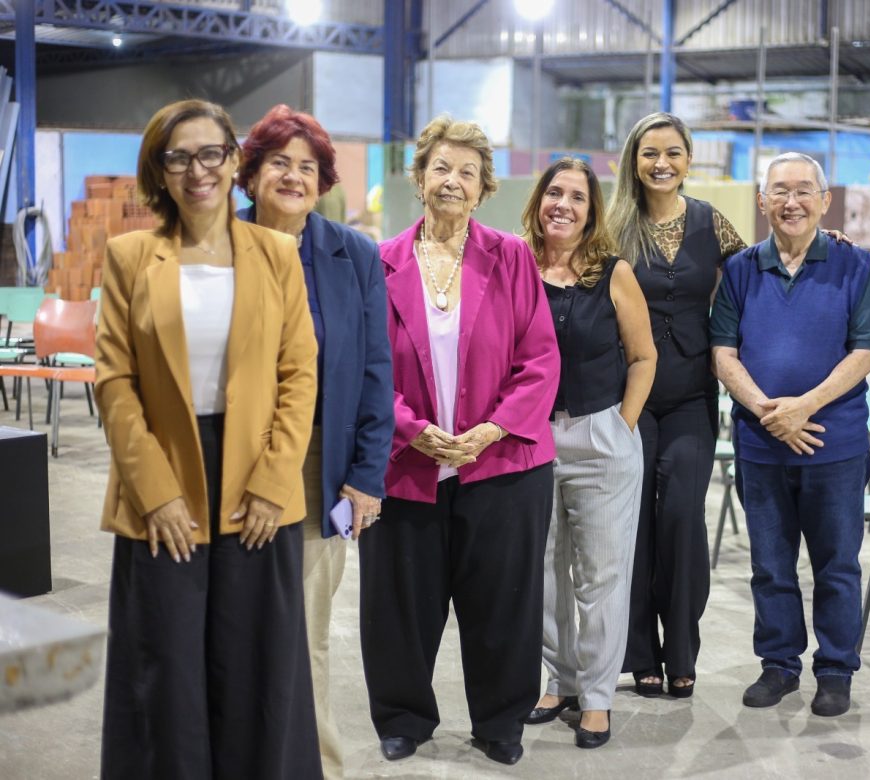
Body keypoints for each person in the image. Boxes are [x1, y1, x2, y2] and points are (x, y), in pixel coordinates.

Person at [95, 99, 321, 779]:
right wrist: (157, 494)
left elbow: (298, 374)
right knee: (163, 672)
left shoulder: (277, 253)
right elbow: (113, 381)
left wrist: (273, 483)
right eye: (178, 156)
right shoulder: (130, 256)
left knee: (258, 669)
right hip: (161, 486)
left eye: (210, 153)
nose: (197, 169)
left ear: (233, 161)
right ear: (159, 172)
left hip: (258, 484)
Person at [360, 115, 560, 766]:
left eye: (467, 172)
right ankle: (403, 717)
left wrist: (490, 428)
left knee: (502, 604)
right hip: (402, 464)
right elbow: (362, 366)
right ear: (418, 179)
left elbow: (541, 358)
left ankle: (500, 723)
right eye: (441, 168)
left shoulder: (512, 258)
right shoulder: (380, 263)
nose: (453, 181)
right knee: (399, 604)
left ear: (483, 189)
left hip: (501, 462)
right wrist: (414, 432)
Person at [237, 104, 395, 780]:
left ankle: (312, 766)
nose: (294, 176)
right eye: (280, 162)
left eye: (308, 166)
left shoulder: (352, 254)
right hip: (225, 466)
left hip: (315, 468)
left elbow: (374, 371)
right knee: (230, 631)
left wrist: (365, 476)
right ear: (251, 173)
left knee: (304, 637)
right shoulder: (211, 244)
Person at [711, 153, 870, 717]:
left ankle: (835, 670)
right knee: (770, 563)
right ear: (762, 202)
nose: (792, 202)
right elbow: (722, 352)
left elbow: (864, 353)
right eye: (779, 191)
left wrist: (803, 407)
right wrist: (768, 412)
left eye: (804, 191)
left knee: (837, 564)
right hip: (762, 446)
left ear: (825, 200)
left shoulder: (855, 266)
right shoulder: (740, 269)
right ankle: (779, 665)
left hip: (835, 446)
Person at [607, 112, 747, 699]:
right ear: (632, 161)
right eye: (648, 153)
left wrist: (824, 239)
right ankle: (640, 652)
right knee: (632, 524)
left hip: (691, 394)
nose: (660, 164)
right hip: (626, 399)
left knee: (683, 518)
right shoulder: (613, 226)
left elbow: (756, 268)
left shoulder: (711, 224)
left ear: (690, 159)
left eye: (672, 153)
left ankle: (681, 648)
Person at [519, 159, 656, 748]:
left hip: (600, 436)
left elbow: (645, 356)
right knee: (543, 571)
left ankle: (597, 696)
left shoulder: (614, 273)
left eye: (577, 196)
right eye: (554, 192)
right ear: (538, 200)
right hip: (530, 437)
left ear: (592, 210)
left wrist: (622, 425)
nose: (563, 204)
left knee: (600, 575)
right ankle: (557, 680)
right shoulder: (516, 264)